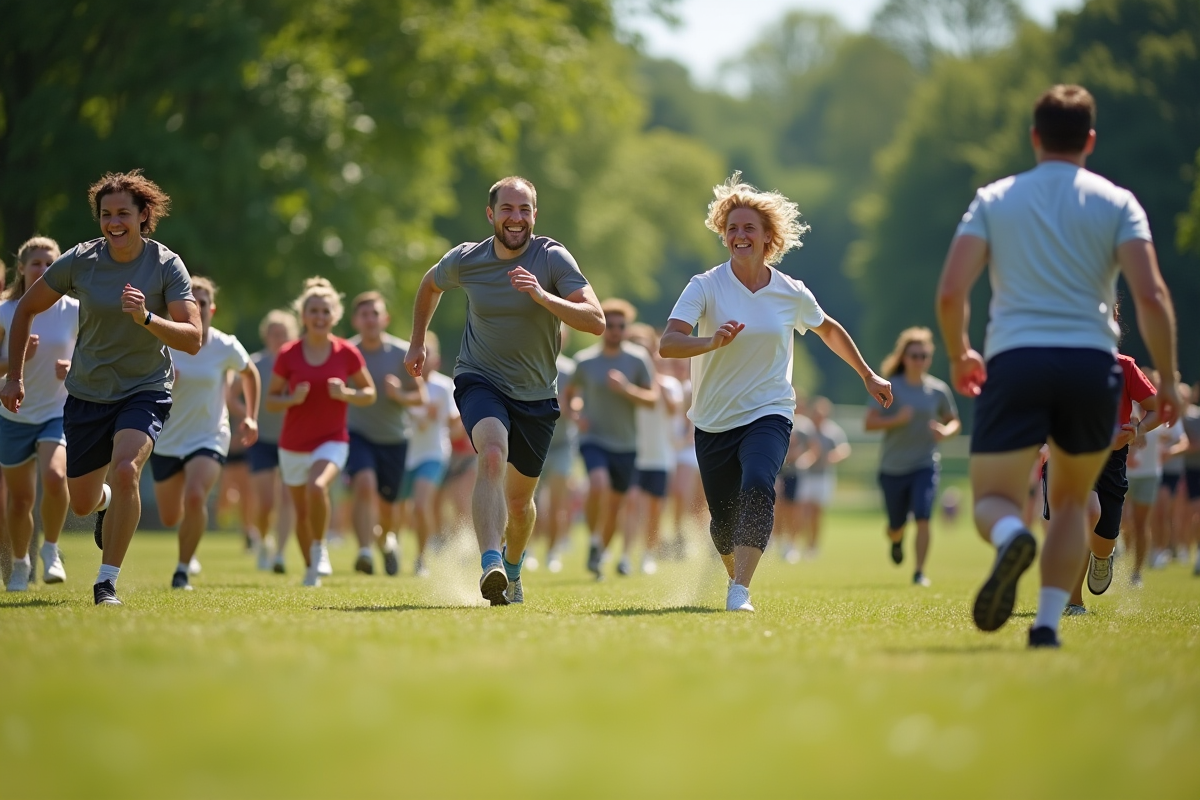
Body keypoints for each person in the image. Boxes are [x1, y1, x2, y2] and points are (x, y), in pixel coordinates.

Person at [935, 85, 1181, 648]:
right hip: (1091, 366)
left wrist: (958, 353)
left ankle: (1008, 540)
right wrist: (1167, 378)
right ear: (1090, 141)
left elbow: (952, 292)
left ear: (1034, 137)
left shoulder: (995, 199)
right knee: (1075, 503)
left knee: (993, 500)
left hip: (1016, 360)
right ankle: (1047, 624)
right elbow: (1152, 298)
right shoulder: (1119, 203)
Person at [660, 171, 893, 613]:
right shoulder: (705, 286)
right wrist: (710, 342)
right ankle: (735, 572)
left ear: (769, 236)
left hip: (770, 411)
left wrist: (867, 374)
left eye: (749, 228)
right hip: (712, 418)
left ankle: (740, 591)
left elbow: (829, 330)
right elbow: (668, 342)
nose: (739, 235)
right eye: (732, 228)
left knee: (759, 485)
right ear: (723, 235)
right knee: (723, 526)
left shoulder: (791, 292)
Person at [1, 170, 202, 606]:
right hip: (88, 393)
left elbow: (193, 336)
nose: (114, 222)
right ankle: (106, 502)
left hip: (145, 388)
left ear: (144, 215)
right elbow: (24, 310)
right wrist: (14, 375)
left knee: (127, 468)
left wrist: (147, 318)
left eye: (123, 214)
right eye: (106, 214)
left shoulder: (166, 264)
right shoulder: (80, 260)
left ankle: (106, 581)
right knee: (81, 503)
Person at [406, 175, 604, 606]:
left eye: (525, 210)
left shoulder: (551, 257)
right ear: (491, 214)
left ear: (535, 215)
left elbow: (595, 319)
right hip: (480, 377)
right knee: (492, 453)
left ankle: (512, 569)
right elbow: (429, 285)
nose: (517, 218)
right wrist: (418, 340)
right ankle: (490, 562)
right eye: (508, 209)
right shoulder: (467, 259)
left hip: (536, 393)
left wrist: (544, 297)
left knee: (519, 505)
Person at [149, 277, 259, 590]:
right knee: (171, 516)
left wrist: (250, 417)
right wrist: (164, 379)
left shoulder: (225, 345)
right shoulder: (163, 340)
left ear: (212, 308)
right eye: (189, 301)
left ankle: (182, 569)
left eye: (202, 302)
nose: (196, 307)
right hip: (167, 437)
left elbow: (250, 374)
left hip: (209, 435)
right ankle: (189, 531)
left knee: (196, 495)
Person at [266, 278, 375, 587]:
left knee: (317, 487)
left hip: (332, 440)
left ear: (334, 316)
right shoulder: (288, 353)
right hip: (293, 445)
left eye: (325, 311)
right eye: (313, 311)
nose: (319, 317)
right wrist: (291, 399)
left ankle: (321, 548)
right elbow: (271, 401)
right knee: (301, 514)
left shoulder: (346, 353)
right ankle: (312, 568)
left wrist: (347, 394)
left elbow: (369, 392)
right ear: (303, 315)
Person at [1053, 350, 1158, 613]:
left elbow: (1157, 408)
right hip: (1075, 451)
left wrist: (1138, 430)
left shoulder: (1125, 366)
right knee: (1087, 513)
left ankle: (1103, 556)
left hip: (1113, 458)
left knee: (1104, 536)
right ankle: (1074, 601)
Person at [0, 237, 77, 590]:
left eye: (51, 264)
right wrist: (14, 361)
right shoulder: (5, 311)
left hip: (57, 412)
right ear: (22, 268)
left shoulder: (75, 309)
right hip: (12, 415)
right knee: (20, 501)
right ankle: (20, 564)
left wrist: (74, 368)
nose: (44, 270)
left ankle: (52, 549)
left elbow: (95, 354)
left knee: (55, 476)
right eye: (36, 263)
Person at [864, 327, 960, 586]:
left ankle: (919, 572)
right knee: (895, 525)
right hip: (893, 467)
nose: (919, 360)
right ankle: (896, 539)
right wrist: (897, 419)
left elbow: (954, 422)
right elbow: (869, 423)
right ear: (904, 357)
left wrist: (945, 431)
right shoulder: (891, 386)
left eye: (924, 355)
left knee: (923, 515)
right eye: (914, 355)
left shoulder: (938, 390)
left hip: (925, 464)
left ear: (929, 358)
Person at [570, 299, 658, 578]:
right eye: (610, 325)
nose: (616, 331)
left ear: (626, 328)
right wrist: (576, 415)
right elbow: (569, 395)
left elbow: (651, 399)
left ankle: (597, 548)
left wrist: (626, 389)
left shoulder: (637, 360)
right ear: (601, 327)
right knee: (598, 484)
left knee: (616, 505)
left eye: (621, 326)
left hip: (626, 443)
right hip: (594, 438)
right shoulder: (585, 361)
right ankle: (594, 536)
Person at [346, 291, 425, 577]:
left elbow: (420, 397)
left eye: (375, 314)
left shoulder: (401, 352)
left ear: (385, 319)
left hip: (394, 438)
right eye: (364, 315)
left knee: (390, 509)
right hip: (358, 433)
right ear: (355, 320)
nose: (370, 320)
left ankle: (386, 542)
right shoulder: (346, 353)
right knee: (364, 485)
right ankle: (364, 551)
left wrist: (399, 394)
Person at [245, 310, 298, 572]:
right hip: (262, 439)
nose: (279, 338)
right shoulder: (254, 363)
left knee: (288, 498)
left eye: (284, 334)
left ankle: (280, 554)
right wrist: (247, 417)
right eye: (274, 333)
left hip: (293, 439)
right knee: (266, 502)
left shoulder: (299, 363)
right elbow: (232, 394)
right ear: (265, 335)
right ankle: (264, 539)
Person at [403, 332, 459, 576]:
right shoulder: (401, 384)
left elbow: (455, 421)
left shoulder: (444, 386)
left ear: (435, 359)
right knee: (396, 511)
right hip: (404, 453)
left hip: (434, 453)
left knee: (420, 504)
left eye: (428, 355)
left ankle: (421, 558)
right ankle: (390, 545)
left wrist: (443, 420)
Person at [535, 328, 580, 573]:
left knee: (556, 503)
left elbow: (576, 401)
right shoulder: (531, 364)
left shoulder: (572, 371)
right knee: (528, 502)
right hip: (535, 444)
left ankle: (552, 552)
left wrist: (572, 407)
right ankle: (527, 549)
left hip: (562, 445)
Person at [796, 397, 850, 558]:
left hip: (823, 476)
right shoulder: (806, 429)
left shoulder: (832, 431)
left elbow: (844, 448)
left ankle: (813, 545)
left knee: (816, 513)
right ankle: (800, 543)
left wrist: (835, 456)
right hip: (806, 476)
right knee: (803, 511)